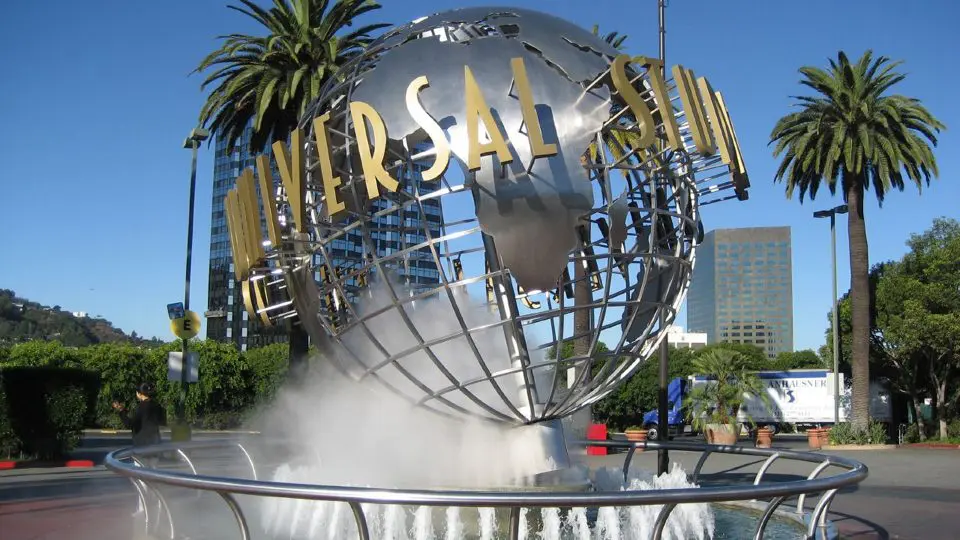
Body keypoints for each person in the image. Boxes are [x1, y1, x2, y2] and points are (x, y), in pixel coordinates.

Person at [112, 382, 166, 447]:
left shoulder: (141, 406)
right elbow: (162, 422)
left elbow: (130, 424)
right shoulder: (157, 405)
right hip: (156, 443)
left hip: (143, 445)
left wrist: (121, 411)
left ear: (139, 394)